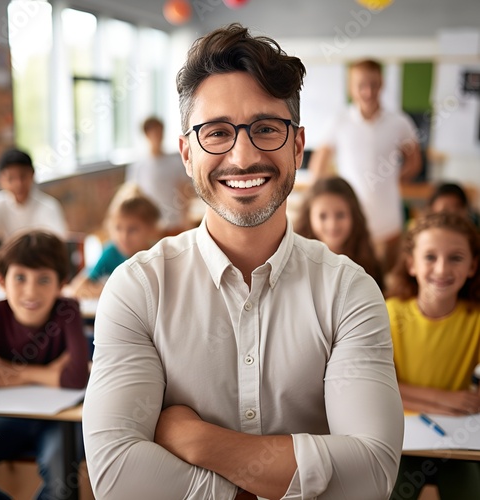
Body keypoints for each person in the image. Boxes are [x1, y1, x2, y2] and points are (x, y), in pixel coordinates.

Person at [83, 23, 403, 500]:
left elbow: (372, 474)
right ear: (188, 154)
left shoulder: (350, 292)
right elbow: (116, 475)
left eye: (267, 129)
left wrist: (196, 440)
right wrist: (271, 485)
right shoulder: (138, 289)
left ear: (297, 147)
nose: (244, 155)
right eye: (217, 133)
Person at [0, 230, 89, 499]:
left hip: (61, 422)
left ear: (61, 283)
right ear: (2, 281)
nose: (31, 291)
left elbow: (76, 378)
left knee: (60, 477)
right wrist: (48, 374)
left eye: (43, 279)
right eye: (20, 278)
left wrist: (13, 374)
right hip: (8, 416)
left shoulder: (67, 311)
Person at [385, 211, 480, 499]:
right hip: (401, 440)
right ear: (411, 264)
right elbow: (378, 390)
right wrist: (447, 400)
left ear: (473, 266)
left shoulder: (475, 320)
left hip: (457, 443)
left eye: (456, 258)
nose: (441, 269)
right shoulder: (389, 314)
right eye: (430, 257)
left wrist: (408, 395)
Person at [309, 59, 422, 272]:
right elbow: (318, 164)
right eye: (361, 85)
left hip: (389, 214)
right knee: (352, 276)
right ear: (351, 87)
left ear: (382, 84)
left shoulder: (400, 122)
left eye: (374, 84)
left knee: (389, 276)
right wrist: (327, 196)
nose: (368, 91)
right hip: (351, 216)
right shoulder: (339, 121)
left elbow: (414, 162)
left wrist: (390, 180)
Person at [0, 148, 68, 271]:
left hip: (40, 266)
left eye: (23, 176)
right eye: (11, 178)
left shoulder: (49, 205)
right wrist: (1, 260)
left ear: (32, 175)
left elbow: (59, 242)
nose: (18, 184)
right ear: (0, 180)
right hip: (7, 267)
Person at [69, 183, 161, 299]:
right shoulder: (111, 252)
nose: (124, 236)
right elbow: (78, 287)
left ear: (151, 229)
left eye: (132, 229)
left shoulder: (157, 254)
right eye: (118, 228)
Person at [295, 176, 383, 288]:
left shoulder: (371, 266)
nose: (332, 224)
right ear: (309, 217)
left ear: (354, 216)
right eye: (323, 216)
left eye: (340, 215)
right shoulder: (296, 263)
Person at [126, 116, 194, 234]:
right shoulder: (138, 167)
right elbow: (133, 198)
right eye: (153, 132)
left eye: (159, 132)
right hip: (151, 226)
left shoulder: (175, 162)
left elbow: (184, 192)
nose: (157, 136)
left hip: (175, 224)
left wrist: (186, 220)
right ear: (146, 134)